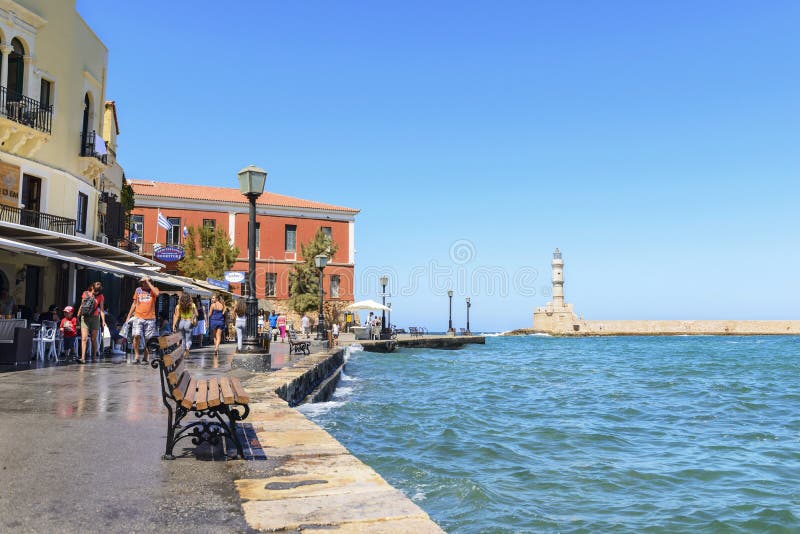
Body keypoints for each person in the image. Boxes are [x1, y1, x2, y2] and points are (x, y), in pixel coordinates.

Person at [126, 276, 159, 364]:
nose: (143, 283)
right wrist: (129, 315)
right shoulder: (138, 290)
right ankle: (137, 356)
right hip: (138, 316)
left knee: (148, 339)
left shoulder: (154, 289)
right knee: (136, 335)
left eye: (145, 282)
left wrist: (148, 283)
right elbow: (134, 303)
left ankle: (145, 356)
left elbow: (157, 294)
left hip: (150, 318)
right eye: (143, 282)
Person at [76, 281, 106, 364]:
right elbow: (82, 305)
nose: (95, 292)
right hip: (85, 317)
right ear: (92, 287)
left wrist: (103, 321)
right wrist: (78, 315)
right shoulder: (85, 293)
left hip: (95, 318)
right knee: (84, 338)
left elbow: (102, 310)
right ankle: (82, 358)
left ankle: (94, 357)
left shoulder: (100, 296)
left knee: (93, 339)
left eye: (97, 291)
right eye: (95, 290)